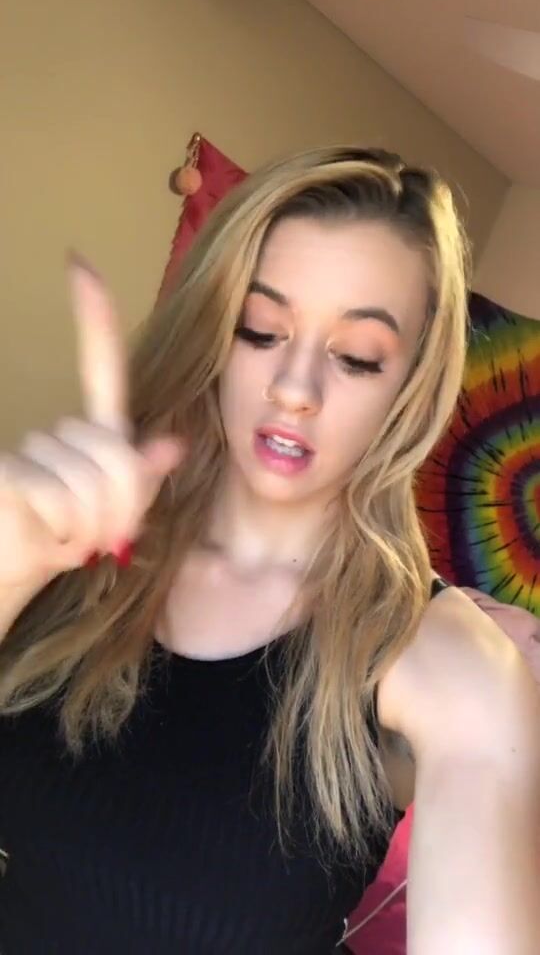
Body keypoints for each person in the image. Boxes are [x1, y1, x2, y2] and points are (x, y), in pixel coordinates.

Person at [0, 146, 538, 955]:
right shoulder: (73, 542)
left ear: (411, 387)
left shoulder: (452, 665)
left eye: (356, 357)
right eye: (262, 330)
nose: (294, 386)